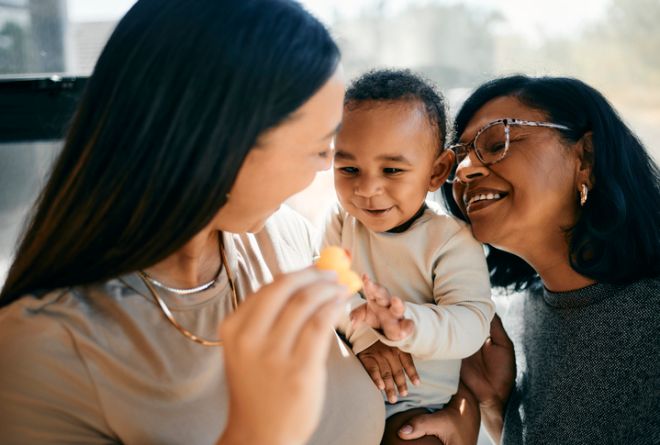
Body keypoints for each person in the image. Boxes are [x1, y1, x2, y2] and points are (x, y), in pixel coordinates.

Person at [0, 1, 387, 444]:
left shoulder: (283, 238)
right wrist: (258, 433)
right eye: (320, 147)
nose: (326, 166)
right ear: (222, 145)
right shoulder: (42, 355)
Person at [392, 75, 660, 444]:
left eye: (496, 141)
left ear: (586, 158)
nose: (466, 170)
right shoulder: (508, 325)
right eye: (460, 156)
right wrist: (495, 406)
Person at [322, 69, 495, 444]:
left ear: (437, 171)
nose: (367, 189)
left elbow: (472, 322)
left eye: (392, 170)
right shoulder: (339, 223)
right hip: (339, 389)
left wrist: (406, 325)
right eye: (349, 168)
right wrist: (366, 332)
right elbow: (325, 289)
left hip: (413, 404)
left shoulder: (450, 241)